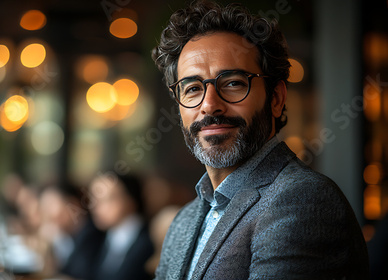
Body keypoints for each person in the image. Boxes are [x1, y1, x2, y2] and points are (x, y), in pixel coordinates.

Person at [151, 1, 369, 279]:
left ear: (275, 99)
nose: (209, 105)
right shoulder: (183, 221)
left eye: (232, 83)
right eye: (192, 88)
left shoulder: (303, 200)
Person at [88, 172, 154, 280]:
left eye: (107, 199)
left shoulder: (150, 240)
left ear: (131, 199)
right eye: (93, 199)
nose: (96, 206)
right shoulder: (96, 237)